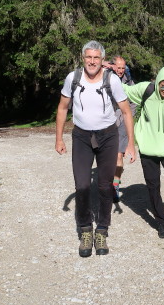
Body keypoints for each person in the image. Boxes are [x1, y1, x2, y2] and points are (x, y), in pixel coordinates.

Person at [55, 41, 136, 257]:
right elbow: (63, 108)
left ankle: (101, 229)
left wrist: (130, 143)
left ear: (102, 60)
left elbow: (127, 112)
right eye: (88, 57)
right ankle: (85, 231)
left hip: (108, 136)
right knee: (82, 186)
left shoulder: (112, 80)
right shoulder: (73, 78)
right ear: (83, 58)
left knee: (104, 186)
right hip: (81, 136)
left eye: (96, 58)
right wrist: (59, 139)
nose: (92, 61)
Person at [123, 66, 164, 238]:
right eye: (163, 86)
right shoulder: (147, 89)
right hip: (147, 148)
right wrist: (107, 73)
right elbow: (124, 90)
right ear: (158, 82)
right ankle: (161, 221)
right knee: (153, 186)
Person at [105, 56, 136, 203]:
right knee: (105, 156)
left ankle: (115, 185)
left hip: (122, 123)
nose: (121, 70)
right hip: (105, 123)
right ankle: (106, 183)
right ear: (113, 66)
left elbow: (134, 103)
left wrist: (127, 117)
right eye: (118, 67)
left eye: (123, 67)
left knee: (118, 156)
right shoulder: (104, 78)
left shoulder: (129, 82)